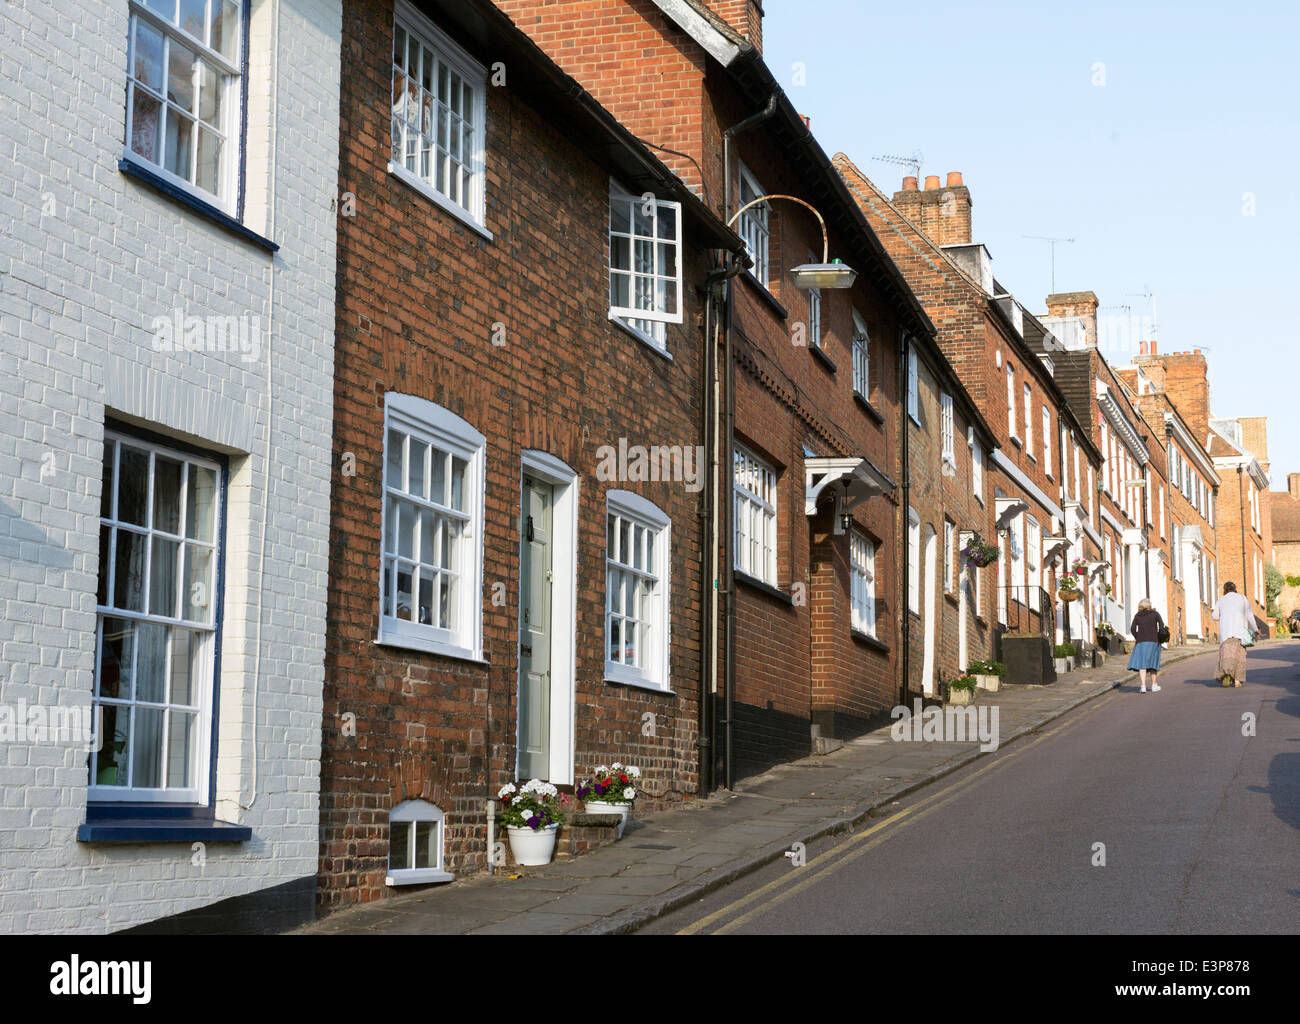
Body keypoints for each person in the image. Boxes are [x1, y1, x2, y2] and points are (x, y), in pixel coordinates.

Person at [1212, 581, 1253, 688]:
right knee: (1239, 657)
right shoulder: (1242, 598)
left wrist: (1225, 614)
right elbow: (1249, 615)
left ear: (1224, 590)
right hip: (1240, 633)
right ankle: (1237, 681)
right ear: (1235, 589)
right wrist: (1256, 629)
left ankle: (1226, 674)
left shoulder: (1221, 600)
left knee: (1227, 656)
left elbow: (1215, 616)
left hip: (1226, 633)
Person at [1128, 598, 1167, 692]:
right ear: (1149, 605)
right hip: (1153, 641)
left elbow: (1133, 629)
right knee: (1153, 663)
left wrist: (1138, 637)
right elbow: (1162, 626)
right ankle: (1154, 685)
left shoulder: (1137, 616)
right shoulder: (1155, 614)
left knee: (1142, 664)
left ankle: (1143, 686)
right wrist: (1158, 636)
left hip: (1141, 642)